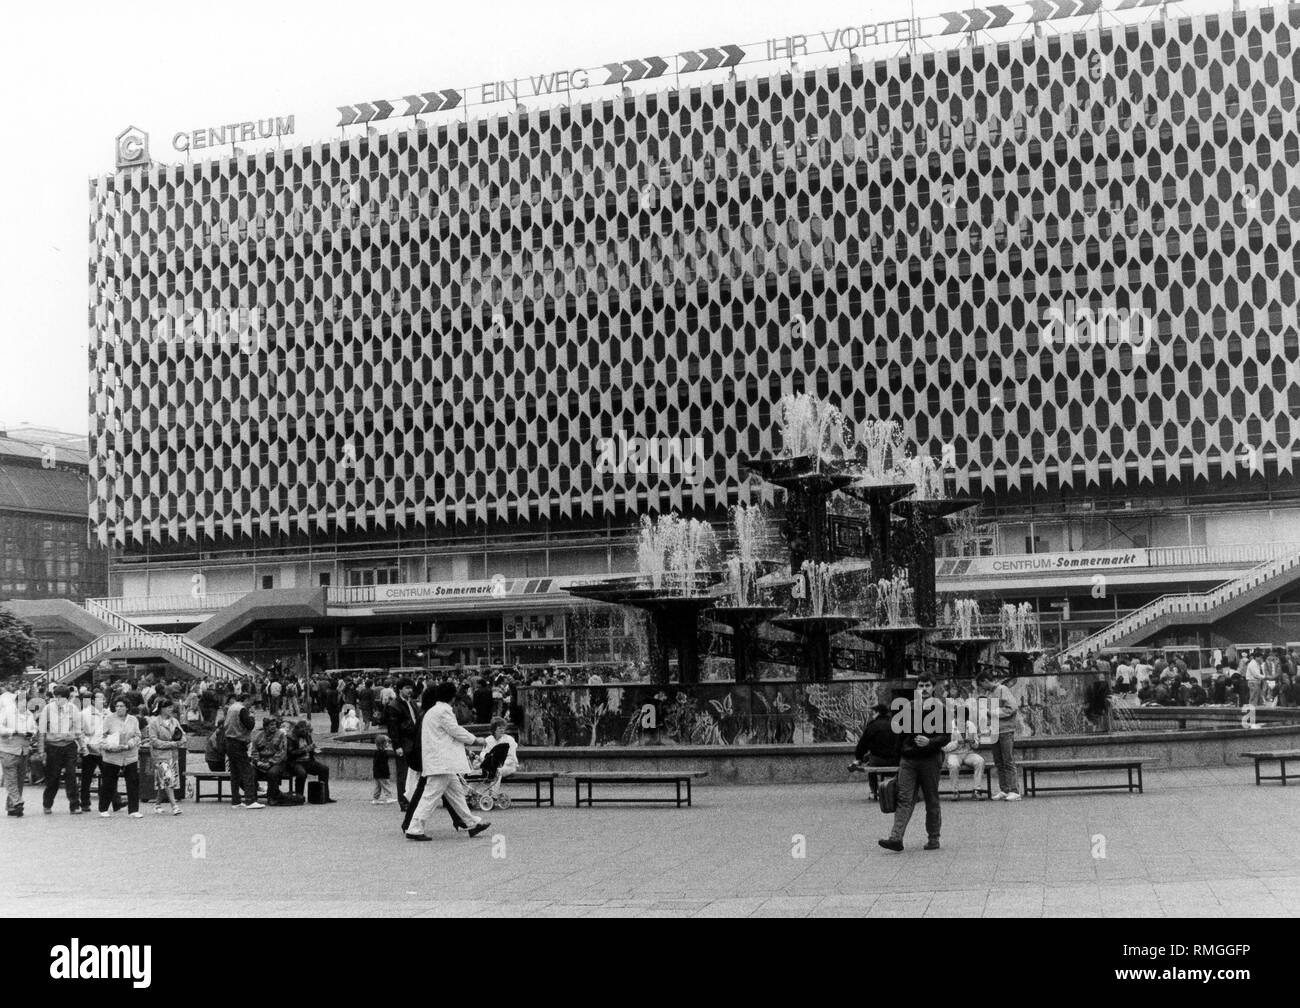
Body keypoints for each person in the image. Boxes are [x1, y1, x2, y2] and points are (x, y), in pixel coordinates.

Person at [405, 682, 491, 841]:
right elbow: (455, 730)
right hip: (443, 762)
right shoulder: (444, 711)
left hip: (440, 762)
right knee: (430, 796)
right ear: (451, 696)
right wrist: (475, 740)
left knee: (456, 793)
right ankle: (415, 828)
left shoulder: (432, 711)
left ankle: (471, 823)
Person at [879, 674, 950, 852]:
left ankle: (933, 838)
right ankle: (896, 838)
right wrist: (898, 758)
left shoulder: (940, 708)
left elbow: (946, 736)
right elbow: (899, 735)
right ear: (917, 688)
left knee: (931, 799)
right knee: (904, 797)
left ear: (933, 687)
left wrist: (930, 742)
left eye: (927, 685)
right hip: (909, 759)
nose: (924, 689)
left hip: (930, 759)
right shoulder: (909, 708)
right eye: (921, 685)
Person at [38, 685, 83, 815]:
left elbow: (78, 729)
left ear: (67, 698)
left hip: (69, 746)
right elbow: (41, 731)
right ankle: (47, 803)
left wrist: (82, 745)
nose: (59, 699)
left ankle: (74, 805)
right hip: (53, 747)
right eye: (57, 696)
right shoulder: (47, 709)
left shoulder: (73, 709)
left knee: (71, 775)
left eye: (62, 697)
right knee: (53, 777)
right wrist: (41, 751)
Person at [979, 671, 1021, 800]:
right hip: (995, 730)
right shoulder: (989, 693)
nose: (982, 688)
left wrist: (993, 713)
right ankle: (1005, 789)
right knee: (999, 761)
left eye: (981, 684)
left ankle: (1015, 791)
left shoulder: (1002, 689)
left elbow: (1012, 707)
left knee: (1007, 760)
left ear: (986, 680)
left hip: (1005, 730)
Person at [99, 697, 144, 818]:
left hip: (130, 755)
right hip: (113, 755)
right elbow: (101, 737)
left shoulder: (133, 719)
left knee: (133, 782)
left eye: (122, 706)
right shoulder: (108, 719)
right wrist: (110, 746)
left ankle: (134, 810)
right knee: (109, 782)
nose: (119, 708)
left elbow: (138, 735)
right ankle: (103, 808)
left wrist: (132, 743)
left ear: (127, 707)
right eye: (117, 706)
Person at [850, 703, 900, 799]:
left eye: (873, 712)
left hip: (878, 760)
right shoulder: (896, 724)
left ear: (878, 713)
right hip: (895, 760)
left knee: (870, 762)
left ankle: (874, 790)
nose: (872, 715)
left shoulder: (872, 726)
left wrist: (859, 757)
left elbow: (862, 745)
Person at [0, 688, 37, 817]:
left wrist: (31, 733)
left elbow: (34, 728)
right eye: (21, 702)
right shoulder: (6, 712)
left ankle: (11, 807)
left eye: (26, 702)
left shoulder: (29, 714)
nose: (24, 705)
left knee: (20, 779)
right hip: (8, 749)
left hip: (23, 750)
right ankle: (17, 802)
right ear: (16, 702)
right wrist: (12, 731)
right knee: (11, 778)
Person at [222, 691, 263, 810]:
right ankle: (250, 800)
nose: (251, 704)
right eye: (250, 701)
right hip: (238, 742)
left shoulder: (231, 707)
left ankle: (236, 800)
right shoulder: (242, 709)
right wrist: (252, 716)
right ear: (246, 700)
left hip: (229, 741)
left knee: (235, 773)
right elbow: (250, 725)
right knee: (247, 771)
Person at [386, 680, 421, 813]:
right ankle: (403, 802)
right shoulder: (394, 705)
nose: (410, 690)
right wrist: (397, 746)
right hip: (404, 743)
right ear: (400, 689)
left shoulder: (412, 702)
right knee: (403, 774)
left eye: (411, 688)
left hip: (414, 742)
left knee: (414, 774)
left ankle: (413, 798)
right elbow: (392, 728)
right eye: (407, 688)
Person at [148, 698, 184, 816]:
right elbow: (153, 741)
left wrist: (180, 741)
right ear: (162, 709)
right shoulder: (154, 723)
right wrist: (171, 744)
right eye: (168, 707)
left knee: (163, 780)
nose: (171, 709)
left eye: (171, 707)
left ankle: (157, 804)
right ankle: (174, 806)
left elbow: (183, 736)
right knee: (168, 778)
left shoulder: (175, 721)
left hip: (173, 756)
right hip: (160, 756)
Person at [942, 709, 986, 800]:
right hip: (953, 754)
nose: (963, 722)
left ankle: (976, 790)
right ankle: (955, 791)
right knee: (953, 765)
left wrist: (973, 741)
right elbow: (944, 748)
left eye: (964, 720)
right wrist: (957, 743)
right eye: (960, 719)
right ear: (955, 716)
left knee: (980, 761)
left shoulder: (971, 725)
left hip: (968, 753)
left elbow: (976, 745)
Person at [286, 720, 335, 803]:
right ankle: (299, 797)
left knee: (324, 769)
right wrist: (306, 749)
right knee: (302, 773)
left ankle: (325, 796)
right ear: (299, 729)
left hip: (308, 761)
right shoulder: (290, 737)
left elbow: (310, 747)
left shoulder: (307, 736)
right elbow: (291, 754)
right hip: (295, 762)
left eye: (308, 730)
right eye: (305, 730)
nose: (307, 732)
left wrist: (314, 749)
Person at [476, 717, 519, 801]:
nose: (502, 730)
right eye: (499, 728)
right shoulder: (488, 740)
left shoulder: (509, 740)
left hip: (508, 766)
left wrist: (499, 764)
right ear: (494, 729)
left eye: (503, 727)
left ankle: (493, 797)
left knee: (497, 771)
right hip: (492, 765)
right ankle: (471, 795)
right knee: (476, 772)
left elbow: (511, 757)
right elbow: (483, 754)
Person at [250, 717, 290, 805]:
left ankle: (272, 797)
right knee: (251, 772)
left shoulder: (281, 735)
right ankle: (252, 798)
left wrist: (270, 762)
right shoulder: (258, 736)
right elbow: (254, 751)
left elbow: (282, 752)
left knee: (272, 773)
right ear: (265, 726)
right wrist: (257, 762)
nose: (274, 727)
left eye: (275, 725)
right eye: (271, 725)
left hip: (276, 763)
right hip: (260, 762)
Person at [372, 733, 396, 804]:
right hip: (382, 774)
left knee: (378, 787)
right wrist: (386, 773)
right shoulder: (383, 753)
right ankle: (389, 797)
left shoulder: (376, 752)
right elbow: (383, 765)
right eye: (387, 742)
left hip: (376, 773)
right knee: (386, 785)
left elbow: (375, 764)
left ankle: (375, 799)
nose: (388, 744)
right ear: (383, 744)